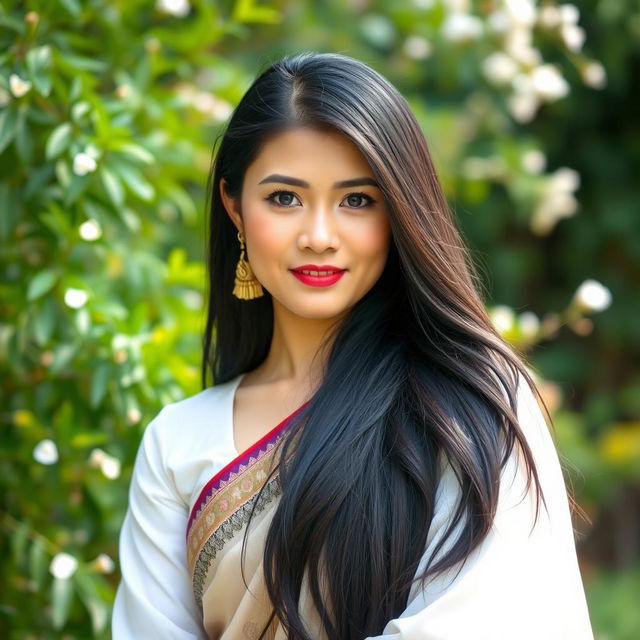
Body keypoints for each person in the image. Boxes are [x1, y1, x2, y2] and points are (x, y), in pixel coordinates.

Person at [112, 51, 595, 640]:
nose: (319, 236)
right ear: (234, 205)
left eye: (357, 200)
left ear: (400, 212)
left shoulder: (471, 405)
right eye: (284, 198)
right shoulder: (177, 441)